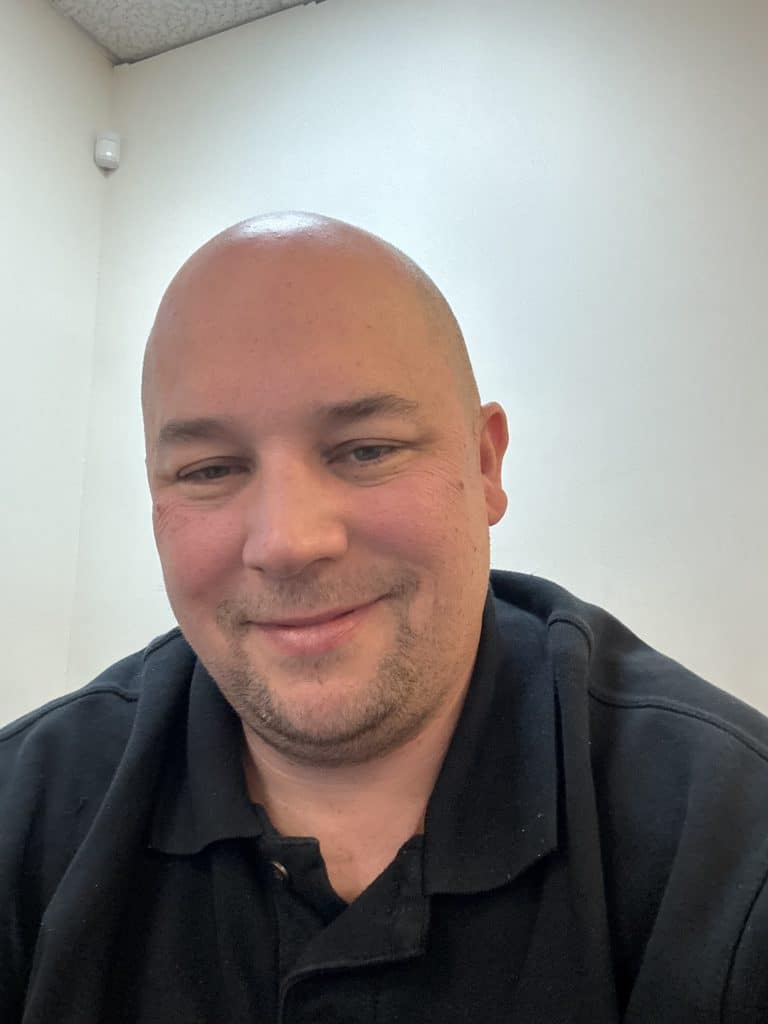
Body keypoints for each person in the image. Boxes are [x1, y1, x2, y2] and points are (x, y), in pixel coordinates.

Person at [1, 213, 767, 1024]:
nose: (288, 543)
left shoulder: (728, 849)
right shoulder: (25, 816)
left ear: (485, 464)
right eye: (211, 469)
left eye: (365, 450)